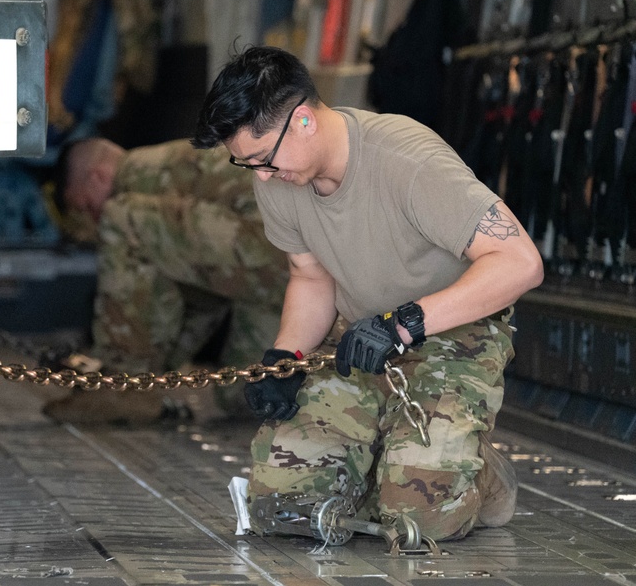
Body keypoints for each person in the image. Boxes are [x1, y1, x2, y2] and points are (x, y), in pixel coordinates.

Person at [191, 46, 544, 541]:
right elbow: (312, 278)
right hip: (362, 337)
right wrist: (287, 357)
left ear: (304, 121)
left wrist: (405, 324)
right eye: (248, 165)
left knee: (419, 518)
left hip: (453, 333)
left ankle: (481, 471)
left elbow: (521, 263)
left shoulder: (408, 160)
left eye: (264, 159)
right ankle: (393, 451)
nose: (264, 176)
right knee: (284, 507)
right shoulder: (277, 178)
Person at [54, 136, 291, 378]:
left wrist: (128, 375)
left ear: (97, 177)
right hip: (288, 269)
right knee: (245, 394)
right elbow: (203, 293)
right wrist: (160, 377)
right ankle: (136, 385)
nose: (92, 220)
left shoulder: (139, 175)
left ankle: (121, 376)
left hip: (281, 253)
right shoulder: (168, 173)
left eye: (86, 207)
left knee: (120, 218)